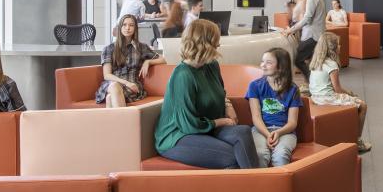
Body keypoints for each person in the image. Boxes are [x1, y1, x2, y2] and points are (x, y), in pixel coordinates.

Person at [153, 19, 258, 169]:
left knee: (244, 132)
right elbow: (188, 124)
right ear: (204, 43)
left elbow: (221, 92)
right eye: (216, 40)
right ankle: (257, 188)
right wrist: (220, 122)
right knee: (232, 156)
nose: (219, 44)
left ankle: (260, 184)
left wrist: (228, 106)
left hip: (206, 128)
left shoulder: (211, 65)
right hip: (178, 135)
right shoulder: (182, 75)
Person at [308, 31, 370, 153]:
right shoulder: (332, 64)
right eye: (339, 44)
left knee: (352, 98)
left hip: (315, 98)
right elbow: (337, 90)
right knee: (363, 106)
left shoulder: (316, 63)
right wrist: (350, 93)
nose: (340, 46)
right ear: (333, 48)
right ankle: (357, 141)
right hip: (328, 98)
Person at [247, 48, 302, 168]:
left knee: (281, 155)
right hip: (260, 130)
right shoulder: (255, 86)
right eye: (263, 61)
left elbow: (292, 122)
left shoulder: (293, 89)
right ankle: (261, 185)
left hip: (285, 131)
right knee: (260, 154)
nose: (263, 65)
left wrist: (278, 132)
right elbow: (256, 117)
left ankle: (280, 186)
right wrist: (268, 134)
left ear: (281, 67)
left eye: (269, 62)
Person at [97, 14, 165, 107]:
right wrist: (126, 83)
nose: (127, 28)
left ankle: (116, 119)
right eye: (124, 25)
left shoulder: (141, 47)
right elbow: (107, 75)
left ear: (135, 28)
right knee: (115, 87)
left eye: (131, 25)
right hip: (113, 83)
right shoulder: (109, 49)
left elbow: (163, 59)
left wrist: (148, 62)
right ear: (120, 27)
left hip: (132, 86)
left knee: (110, 98)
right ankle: (124, 121)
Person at [287, 0, 325, 75]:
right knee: (310, 62)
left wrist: (291, 30)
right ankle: (312, 83)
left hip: (312, 36)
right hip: (315, 35)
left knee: (297, 60)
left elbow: (307, 18)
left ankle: (311, 83)